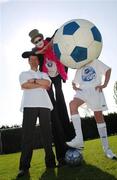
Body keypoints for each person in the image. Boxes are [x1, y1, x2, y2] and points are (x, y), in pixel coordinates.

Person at [22, 29, 75, 166]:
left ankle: (69, 148)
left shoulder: (51, 45)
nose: (39, 43)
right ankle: (61, 156)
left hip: (57, 85)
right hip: (46, 96)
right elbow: (27, 55)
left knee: (63, 115)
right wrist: (41, 51)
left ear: (42, 38)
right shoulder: (35, 60)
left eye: (40, 40)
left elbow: (59, 31)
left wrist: (48, 45)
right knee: (55, 122)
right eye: (36, 42)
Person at [66, 59, 117, 159]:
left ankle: (107, 149)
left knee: (99, 117)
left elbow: (108, 70)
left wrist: (104, 84)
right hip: (82, 91)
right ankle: (79, 140)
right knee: (72, 104)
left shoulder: (95, 61)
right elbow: (74, 81)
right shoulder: (79, 65)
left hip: (95, 90)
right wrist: (74, 86)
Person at [17, 55, 56, 178]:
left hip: (44, 105)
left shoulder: (43, 74)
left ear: (38, 61)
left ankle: (50, 164)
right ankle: (24, 167)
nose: (33, 61)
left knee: (47, 136)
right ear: (28, 62)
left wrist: (33, 81)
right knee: (27, 137)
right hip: (29, 105)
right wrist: (40, 84)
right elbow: (24, 86)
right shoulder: (24, 73)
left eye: (35, 59)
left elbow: (47, 84)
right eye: (31, 59)